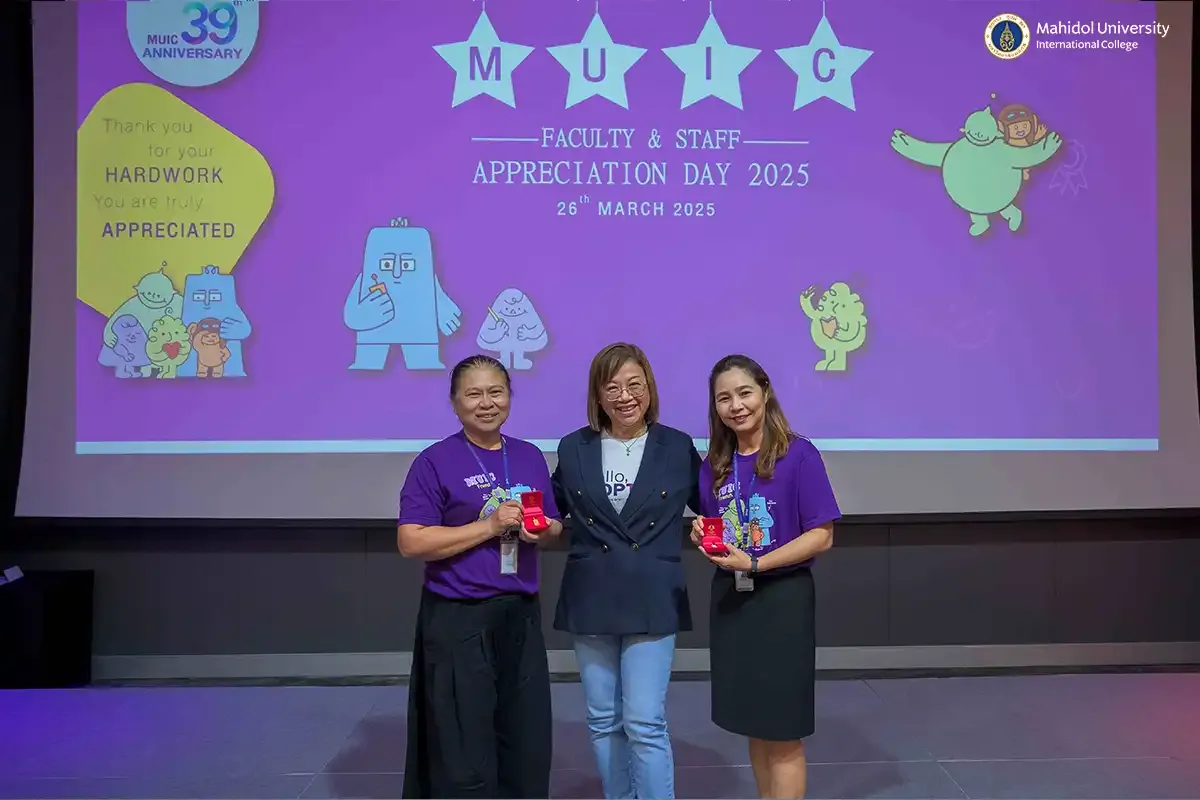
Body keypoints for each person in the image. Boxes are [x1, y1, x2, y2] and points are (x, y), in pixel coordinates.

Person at [397, 354, 564, 799]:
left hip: (520, 615)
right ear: (455, 402)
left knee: (525, 737)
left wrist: (542, 531)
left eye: (496, 392)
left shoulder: (529, 456)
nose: (486, 403)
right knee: (463, 743)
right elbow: (411, 540)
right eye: (474, 394)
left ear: (509, 396)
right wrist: (488, 527)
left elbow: (553, 527)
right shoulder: (434, 461)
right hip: (459, 619)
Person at [552, 343, 702, 800]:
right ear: (597, 396)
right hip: (591, 594)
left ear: (649, 389)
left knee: (644, 720)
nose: (625, 396)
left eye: (634, 385)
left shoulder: (676, 446)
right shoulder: (574, 447)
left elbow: (717, 505)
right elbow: (552, 512)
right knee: (603, 719)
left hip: (653, 593)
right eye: (612, 387)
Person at [690, 354, 840, 799]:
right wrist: (705, 537)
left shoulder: (798, 454)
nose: (735, 406)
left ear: (765, 392)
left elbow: (822, 535)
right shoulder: (715, 465)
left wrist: (757, 564)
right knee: (754, 724)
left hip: (783, 601)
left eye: (744, 393)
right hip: (733, 602)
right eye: (724, 398)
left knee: (783, 730)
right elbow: (722, 530)